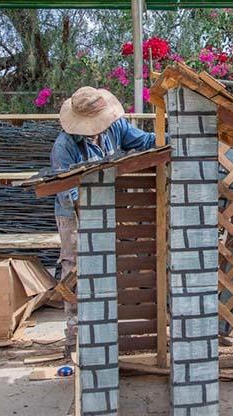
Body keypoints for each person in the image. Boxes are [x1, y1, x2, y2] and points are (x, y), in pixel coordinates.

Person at [51, 86, 161, 353]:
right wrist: (94, 225)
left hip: (112, 207)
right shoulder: (64, 146)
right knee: (76, 266)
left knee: (117, 263)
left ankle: (112, 331)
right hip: (74, 215)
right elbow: (70, 195)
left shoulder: (116, 127)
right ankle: (75, 335)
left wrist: (178, 137)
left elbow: (145, 141)